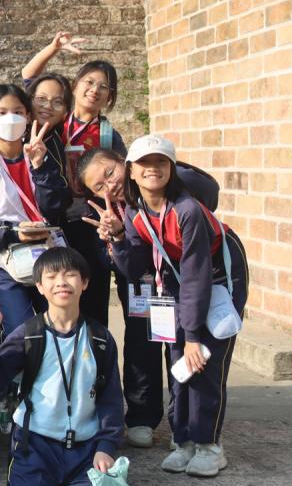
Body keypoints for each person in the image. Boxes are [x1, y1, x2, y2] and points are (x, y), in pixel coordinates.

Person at [107, 135, 246, 478]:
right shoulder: (136, 212)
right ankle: (184, 441)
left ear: (171, 168)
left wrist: (194, 335)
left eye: (161, 162)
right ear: (131, 171)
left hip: (218, 274)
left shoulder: (187, 210)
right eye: (144, 163)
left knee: (204, 361)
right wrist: (118, 238)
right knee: (179, 361)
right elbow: (135, 266)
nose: (152, 169)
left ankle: (209, 445)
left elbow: (198, 274)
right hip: (176, 276)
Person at [0, 247, 125, 486]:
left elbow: (111, 398)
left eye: (70, 275)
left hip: (84, 449)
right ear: (39, 286)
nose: (61, 282)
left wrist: (105, 447)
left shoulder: (100, 338)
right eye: (51, 276)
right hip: (36, 445)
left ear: (85, 282)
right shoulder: (29, 334)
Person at [77, 145, 221, 449]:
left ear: (125, 163)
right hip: (140, 286)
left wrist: (159, 171)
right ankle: (142, 416)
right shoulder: (105, 216)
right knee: (140, 344)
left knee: (179, 346)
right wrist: (116, 236)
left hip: (177, 277)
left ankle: (183, 422)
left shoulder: (161, 187)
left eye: (110, 173)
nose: (110, 186)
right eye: (99, 187)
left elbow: (210, 191)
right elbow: (126, 264)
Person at [22, 32, 127, 326]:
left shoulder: (108, 135)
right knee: (56, 290)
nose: (95, 90)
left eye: (104, 87)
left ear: (110, 97)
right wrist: (53, 47)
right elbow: (29, 78)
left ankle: (95, 347)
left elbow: (123, 181)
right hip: (53, 217)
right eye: (89, 82)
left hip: (90, 221)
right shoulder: (55, 118)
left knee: (93, 291)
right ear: (75, 85)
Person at [0, 84, 69, 339]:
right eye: (2, 112)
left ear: (28, 116)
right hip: (0, 260)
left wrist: (40, 168)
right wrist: (14, 232)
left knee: (59, 327)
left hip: (47, 254)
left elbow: (57, 208)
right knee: (21, 330)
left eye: (18, 112)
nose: (11, 118)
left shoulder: (43, 157)